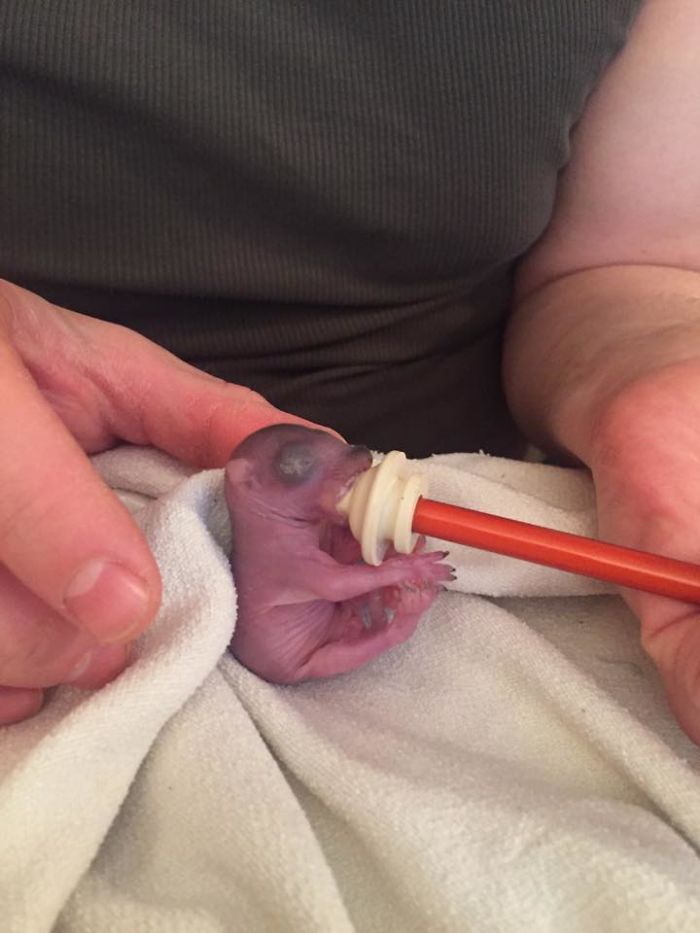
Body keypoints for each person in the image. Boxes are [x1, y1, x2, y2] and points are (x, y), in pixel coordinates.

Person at [2, 0, 700, 741]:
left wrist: (658, 372)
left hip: (458, 512)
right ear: (242, 482)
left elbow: (628, 264)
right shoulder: (245, 492)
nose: (335, 468)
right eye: (300, 466)